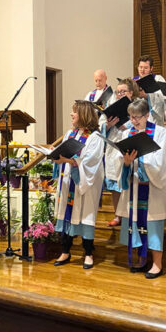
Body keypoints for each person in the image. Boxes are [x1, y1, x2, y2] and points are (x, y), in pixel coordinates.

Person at [115, 98, 166, 279]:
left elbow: (161, 160)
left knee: (153, 227)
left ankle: (157, 264)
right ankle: (141, 259)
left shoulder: (159, 132)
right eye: (131, 117)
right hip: (134, 187)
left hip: (151, 187)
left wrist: (142, 158)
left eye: (138, 117)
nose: (134, 121)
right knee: (135, 224)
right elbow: (119, 159)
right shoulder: (126, 134)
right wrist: (126, 163)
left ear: (147, 115)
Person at [52, 100, 105, 269]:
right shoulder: (70, 133)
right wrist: (56, 157)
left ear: (83, 114)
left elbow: (90, 162)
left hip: (84, 184)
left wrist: (68, 161)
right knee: (66, 214)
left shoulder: (95, 137)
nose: (71, 114)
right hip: (68, 181)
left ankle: (88, 253)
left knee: (85, 216)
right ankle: (65, 251)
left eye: (74, 111)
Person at [103, 78, 139, 227]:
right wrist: (108, 125)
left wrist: (127, 127)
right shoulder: (112, 107)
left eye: (123, 91)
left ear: (131, 93)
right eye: (118, 92)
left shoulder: (138, 108)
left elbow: (142, 127)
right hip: (112, 148)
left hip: (128, 149)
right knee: (113, 184)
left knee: (126, 182)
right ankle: (118, 215)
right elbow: (102, 131)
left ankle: (130, 213)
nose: (120, 94)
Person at [135, 55, 166, 125]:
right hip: (137, 119)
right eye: (140, 67)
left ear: (151, 68)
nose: (142, 70)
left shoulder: (158, 79)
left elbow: (164, 97)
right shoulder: (134, 81)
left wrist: (147, 96)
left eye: (145, 68)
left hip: (154, 119)